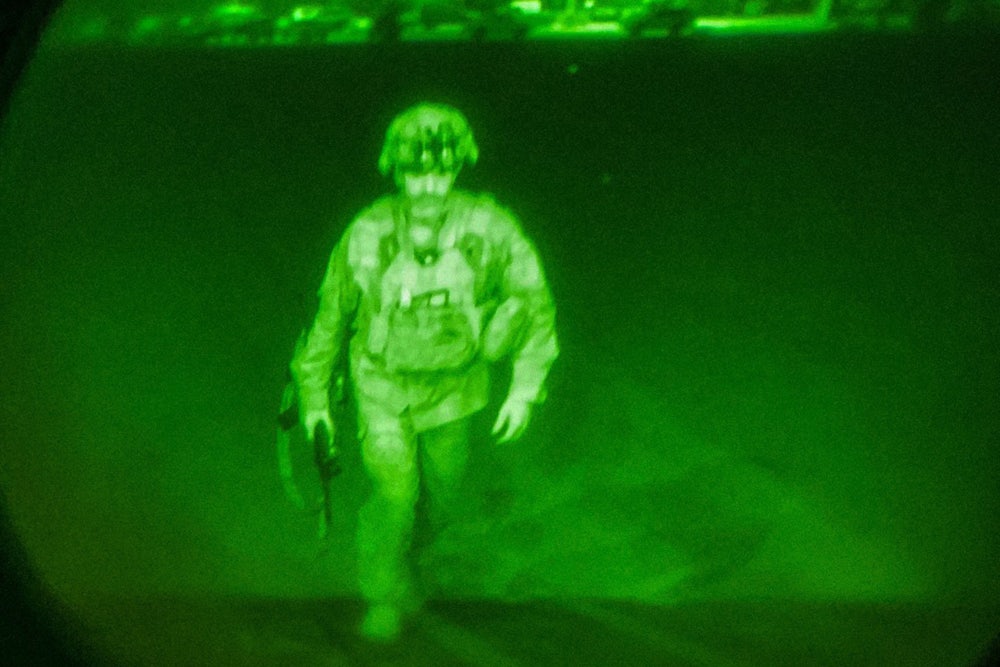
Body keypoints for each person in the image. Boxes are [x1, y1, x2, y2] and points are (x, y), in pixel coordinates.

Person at [290, 102, 559, 641]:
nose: (430, 185)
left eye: (441, 170)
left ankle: (411, 560)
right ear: (396, 170)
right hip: (382, 385)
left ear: (459, 167)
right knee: (394, 494)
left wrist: (524, 389)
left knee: (442, 496)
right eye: (416, 172)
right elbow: (331, 317)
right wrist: (314, 397)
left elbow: (533, 305)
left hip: (456, 390)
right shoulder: (367, 233)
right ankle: (384, 593)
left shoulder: (492, 228)